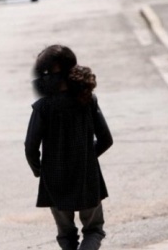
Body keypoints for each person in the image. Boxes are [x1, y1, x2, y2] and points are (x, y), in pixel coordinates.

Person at [24, 44, 113, 250]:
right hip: (86, 176)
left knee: (66, 235)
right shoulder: (87, 99)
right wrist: (87, 158)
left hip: (54, 180)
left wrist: (40, 170)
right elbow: (106, 139)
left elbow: (30, 147)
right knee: (94, 230)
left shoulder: (43, 107)